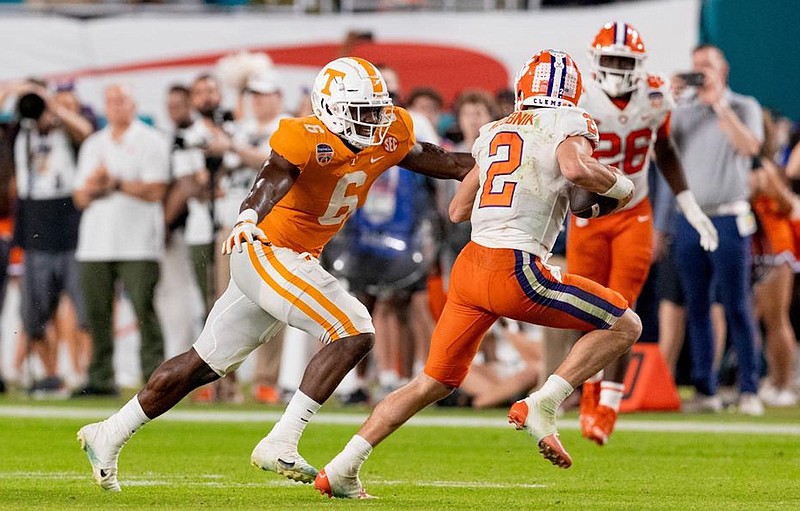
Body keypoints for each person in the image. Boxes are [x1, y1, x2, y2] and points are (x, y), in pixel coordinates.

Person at [76, 57, 474, 492]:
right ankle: (282, 440)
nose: (374, 120)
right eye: (362, 111)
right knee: (354, 328)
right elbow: (272, 178)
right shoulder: (305, 135)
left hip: (292, 258)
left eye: (377, 110)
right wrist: (247, 216)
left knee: (202, 364)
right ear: (330, 107)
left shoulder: (388, 133)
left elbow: (440, 160)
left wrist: (494, 160)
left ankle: (110, 431)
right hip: (266, 250)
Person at [315, 49, 642, 499]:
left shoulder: (495, 130)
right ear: (571, 92)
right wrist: (623, 189)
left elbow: (457, 209)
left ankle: (341, 467)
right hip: (517, 267)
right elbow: (573, 167)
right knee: (625, 324)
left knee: (430, 382)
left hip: (471, 266)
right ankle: (543, 403)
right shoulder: (570, 122)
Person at [570, 22, 718, 446]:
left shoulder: (656, 95)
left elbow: (665, 149)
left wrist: (689, 204)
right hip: (591, 213)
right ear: (596, 61)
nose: (617, 68)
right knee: (586, 310)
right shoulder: (580, 98)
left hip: (634, 209)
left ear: (639, 66)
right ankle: (590, 392)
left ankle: (610, 404)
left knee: (622, 310)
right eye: (611, 59)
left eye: (625, 61)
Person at [670, 44, 765, 415]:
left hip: (729, 214)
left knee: (737, 302)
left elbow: (750, 147)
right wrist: (669, 99)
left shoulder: (743, 106)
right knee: (696, 304)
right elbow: (659, 148)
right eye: (695, 67)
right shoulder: (684, 111)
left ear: (722, 68)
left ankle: (749, 389)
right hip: (692, 216)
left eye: (706, 66)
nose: (701, 73)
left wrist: (719, 105)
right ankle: (706, 389)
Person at [72, 84, 170, 397]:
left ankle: (155, 377)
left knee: (144, 307)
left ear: (133, 104)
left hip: (138, 242)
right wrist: (95, 186)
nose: (115, 107)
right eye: (110, 101)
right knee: (97, 313)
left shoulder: (150, 140)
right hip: (95, 243)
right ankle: (101, 377)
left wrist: (113, 183)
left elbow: (156, 190)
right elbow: (79, 198)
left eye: (122, 101)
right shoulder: (94, 144)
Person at [12, 83, 94, 393]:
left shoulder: (70, 135)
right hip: (35, 232)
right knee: (33, 315)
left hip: (70, 232)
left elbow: (85, 130)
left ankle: (85, 375)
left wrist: (56, 109)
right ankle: (51, 374)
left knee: (82, 311)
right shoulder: (22, 133)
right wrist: (26, 91)